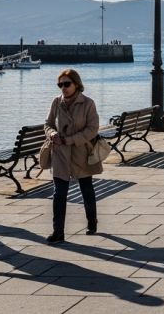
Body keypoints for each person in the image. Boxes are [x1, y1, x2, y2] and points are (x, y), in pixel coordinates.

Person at [44, 68, 102, 243]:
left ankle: (92, 221)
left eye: (67, 84)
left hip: (80, 153)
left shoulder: (88, 103)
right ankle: (58, 232)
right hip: (60, 154)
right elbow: (47, 124)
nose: (63, 87)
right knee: (59, 193)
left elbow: (92, 129)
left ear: (76, 84)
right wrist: (52, 134)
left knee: (86, 190)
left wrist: (70, 140)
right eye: (60, 84)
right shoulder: (56, 102)